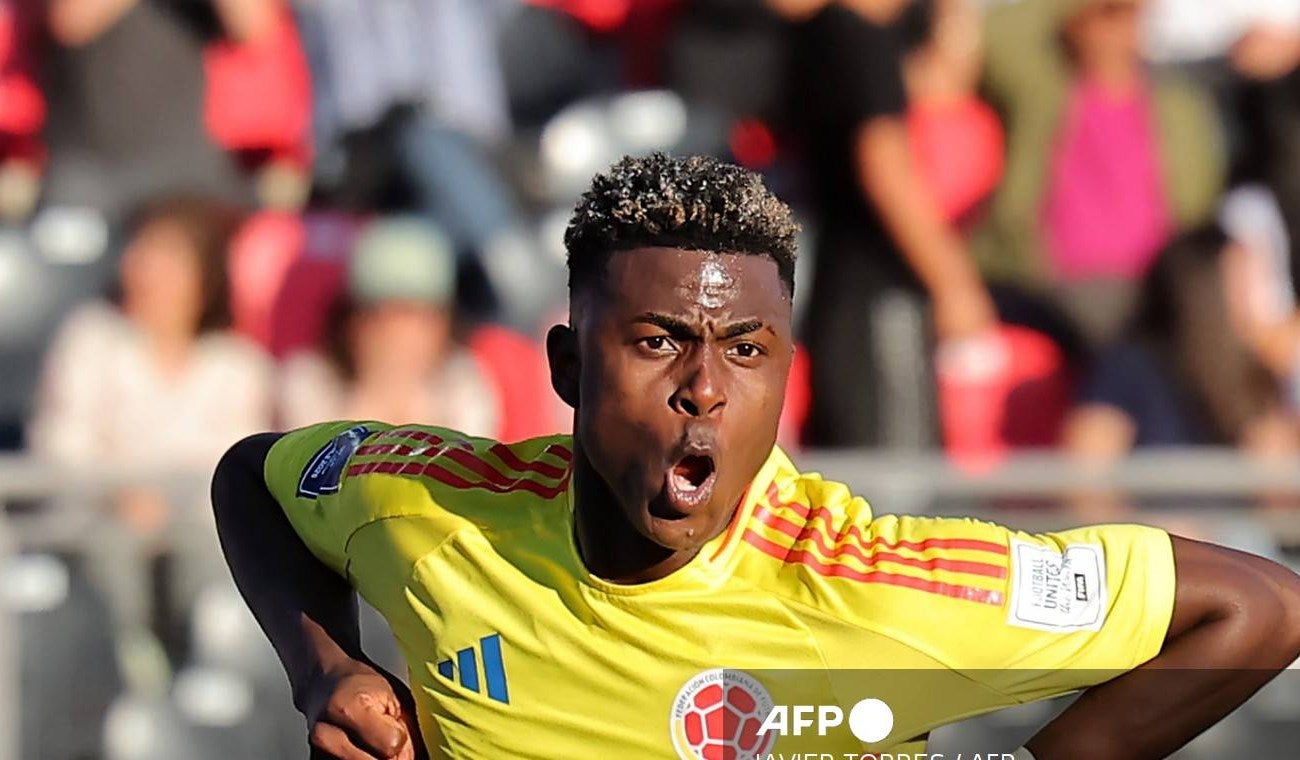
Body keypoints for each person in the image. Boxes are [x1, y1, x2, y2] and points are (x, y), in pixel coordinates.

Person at [213, 154, 1300, 760]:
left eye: (746, 349)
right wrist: (327, 668)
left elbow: (1257, 606)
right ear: (564, 366)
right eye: (653, 343)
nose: (703, 387)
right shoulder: (437, 511)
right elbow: (254, 475)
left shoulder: (862, 586)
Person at [775, 0, 998, 448]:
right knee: (896, 474)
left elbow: (941, 83)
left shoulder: (829, 36)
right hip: (877, 290)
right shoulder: (857, 40)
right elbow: (884, 166)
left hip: (836, 286)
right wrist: (954, 284)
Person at [277, 216, 501, 436]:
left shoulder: (463, 383)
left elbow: (467, 464)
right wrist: (375, 396)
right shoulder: (308, 380)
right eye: (385, 315)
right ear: (354, 323)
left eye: (418, 315)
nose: (403, 334)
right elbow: (318, 465)